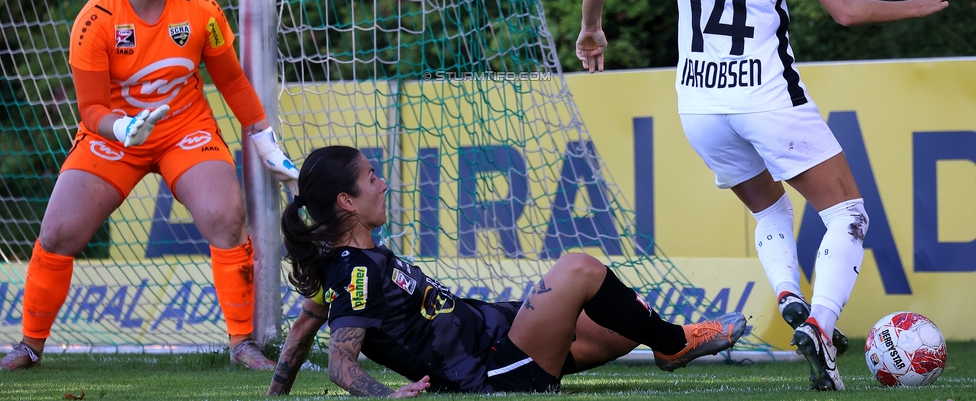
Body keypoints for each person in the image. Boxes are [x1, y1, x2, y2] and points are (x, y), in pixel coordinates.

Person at [576, 0, 949, 391]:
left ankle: (791, 300)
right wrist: (913, 7)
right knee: (847, 214)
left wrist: (591, 31)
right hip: (766, 96)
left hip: (699, 104)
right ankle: (821, 324)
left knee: (769, 211)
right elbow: (845, 12)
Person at [0, 0, 300, 371]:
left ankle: (243, 345)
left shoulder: (201, 9)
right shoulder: (95, 21)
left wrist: (263, 138)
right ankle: (29, 346)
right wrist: (122, 129)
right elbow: (92, 110)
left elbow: (233, 83)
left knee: (226, 217)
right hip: (116, 137)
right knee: (58, 233)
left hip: (185, 129)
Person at [266, 146, 747, 396]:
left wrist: (275, 396)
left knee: (626, 320)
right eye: (372, 178)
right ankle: (674, 343)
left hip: (502, 334)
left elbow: (306, 325)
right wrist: (389, 395)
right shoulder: (356, 273)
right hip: (494, 371)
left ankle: (660, 339)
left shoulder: (353, 263)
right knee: (579, 268)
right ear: (347, 201)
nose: (383, 183)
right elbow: (339, 365)